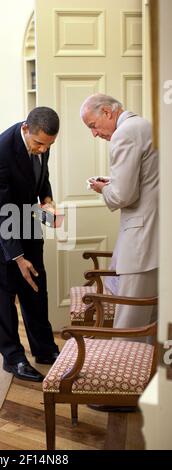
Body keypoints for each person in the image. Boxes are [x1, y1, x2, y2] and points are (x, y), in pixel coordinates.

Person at [0, 107, 60, 382]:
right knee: (4, 297)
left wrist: (47, 200)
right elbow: (0, 210)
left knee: (36, 289)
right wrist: (18, 257)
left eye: (48, 145)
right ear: (26, 128)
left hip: (28, 222)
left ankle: (45, 350)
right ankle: (13, 358)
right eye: (38, 143)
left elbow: (41, 178)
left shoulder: (42, 142)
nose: (42, 149)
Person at [80, 93, 158, 329]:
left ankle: (123, 366)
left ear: (107, 112)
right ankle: (150, 367)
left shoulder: (124, 133)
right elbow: (145, 180)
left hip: (142, 244)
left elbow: (124, 196)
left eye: (93, 126)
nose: (94, 134)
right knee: (152, 322)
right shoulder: (144, 125)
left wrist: (103, 189)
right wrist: (111, 182)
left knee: (130, 326)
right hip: (157, 239)